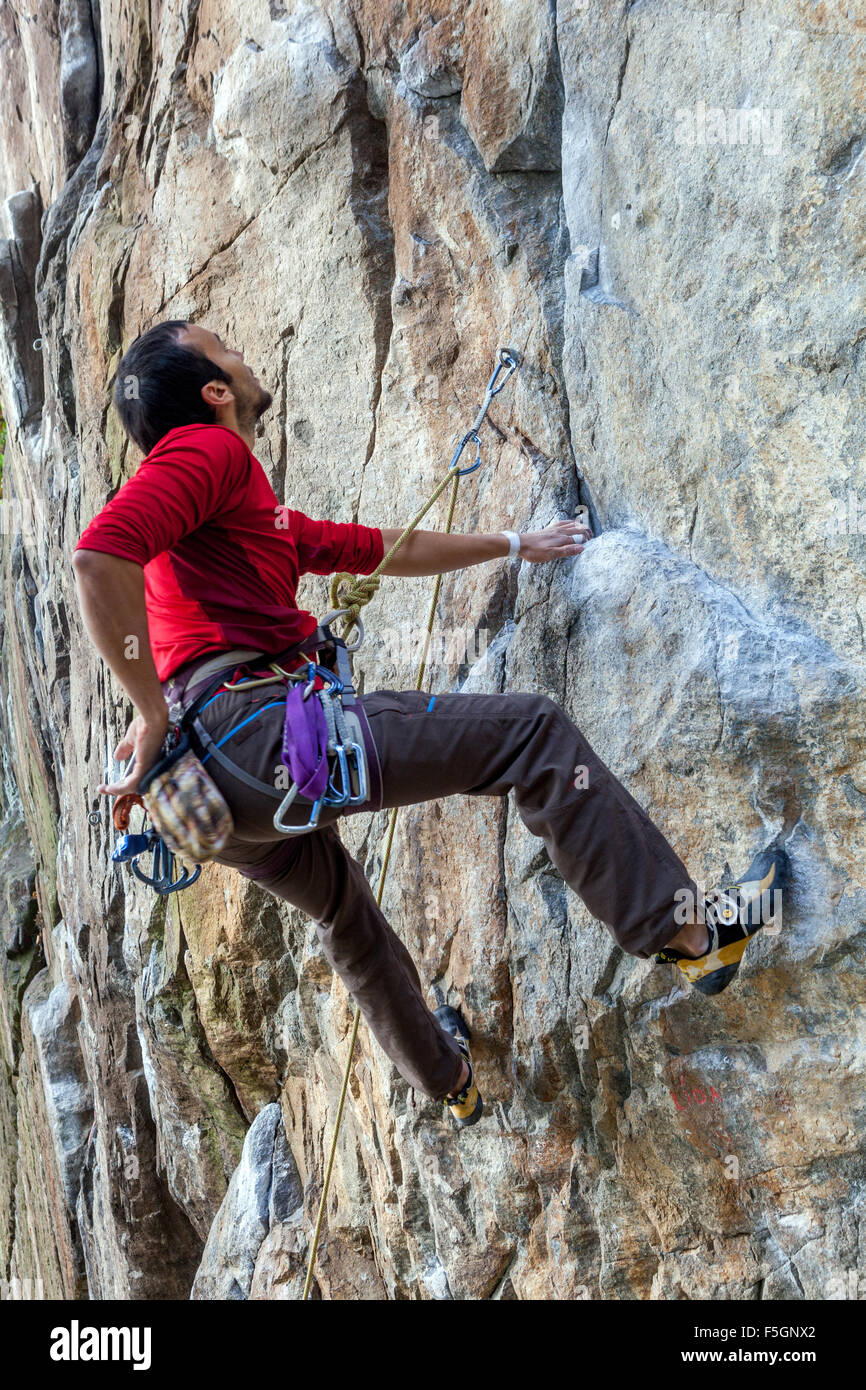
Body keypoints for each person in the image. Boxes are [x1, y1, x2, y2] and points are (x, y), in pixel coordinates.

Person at [72, 321, 789, 1128]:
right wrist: (149, 707)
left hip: (213, 807)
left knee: (344, 912)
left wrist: (516, 542)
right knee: (533, 734)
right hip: (253, 736)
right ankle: (694, 935)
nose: (240, 350)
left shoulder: (240, 515)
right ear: (214, 392)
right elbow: (99, 558)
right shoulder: (213, 453)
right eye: (223, 347)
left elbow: (378, 547)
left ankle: (447, 1081)